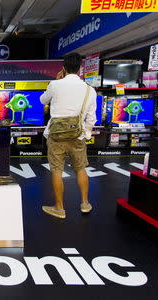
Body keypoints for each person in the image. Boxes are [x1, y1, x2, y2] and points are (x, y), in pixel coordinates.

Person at [40, 53, 97, 219]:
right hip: (77, 136)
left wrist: (56, 81)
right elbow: (92, 117)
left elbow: (43, 100)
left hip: (56, 136)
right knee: (80, 168)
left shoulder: (55, 84)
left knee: (57, 171)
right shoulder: (89, 90)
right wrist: (85, 134)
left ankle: (59, 208)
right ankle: (85, 203)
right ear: (80, 68)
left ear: (63, 68)